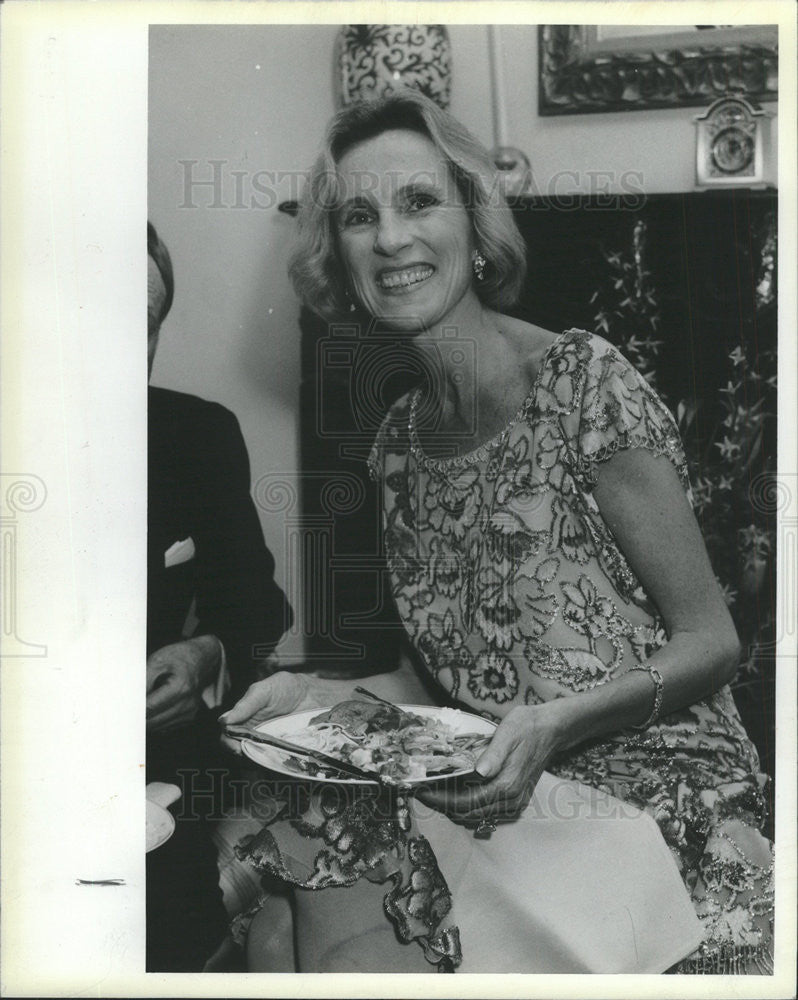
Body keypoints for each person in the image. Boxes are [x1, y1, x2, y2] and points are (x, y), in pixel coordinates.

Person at [220, 92, 774, 974]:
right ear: (339, 258)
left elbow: (712, 641)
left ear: (476, 226)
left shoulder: (582, 382)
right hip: (501, 785)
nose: (392, 239)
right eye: (360, 216)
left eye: (419, 202)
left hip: (661, 794)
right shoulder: (396, 443)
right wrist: (311, 698)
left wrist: (558, 721)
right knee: (292, 920)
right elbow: (436, 674)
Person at [146, 221, 292, 970]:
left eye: (138, 327)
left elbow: (259, 604)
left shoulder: (195, 435)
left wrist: (206, 656)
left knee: (168, 932)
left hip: (155, 769)